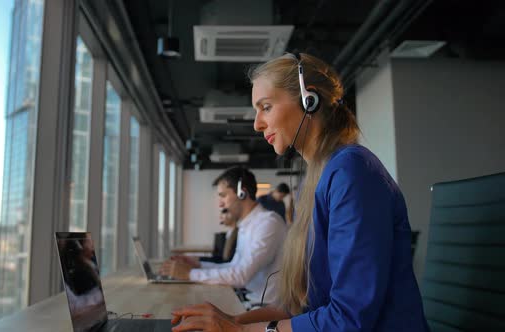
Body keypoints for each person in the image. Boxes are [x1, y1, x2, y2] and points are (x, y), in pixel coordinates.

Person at [170, 53, 429, 331]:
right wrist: (232, 321)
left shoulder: (352, 172)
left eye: (266, 107)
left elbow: (349, 319)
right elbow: (306, 306)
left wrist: (242, 331)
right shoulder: (319, 178)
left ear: (309, 100)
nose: (257, 124)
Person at [160, 167, 287, 304]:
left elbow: (240, 276)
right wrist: (199, 265)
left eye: (223, 195)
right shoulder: (247, 224)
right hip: (246, 297)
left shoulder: (268, 223)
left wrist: (189, 274)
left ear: (241, 193)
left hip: (261, 306)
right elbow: (234, 267)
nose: (221, 204)